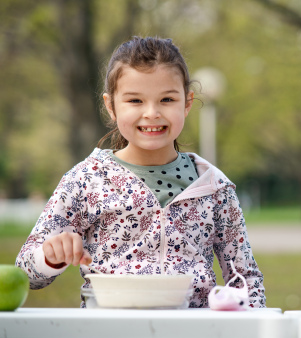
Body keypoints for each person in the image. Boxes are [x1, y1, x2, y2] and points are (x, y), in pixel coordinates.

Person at [15, 36, 266, 308]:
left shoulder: (215, 186)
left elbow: (245, 280)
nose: (152, 113)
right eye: (135, 100)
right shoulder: (85, 180)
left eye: (167, 99)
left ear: (187, 102)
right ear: (111, 106)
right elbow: (26, 273)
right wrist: (50, 256)